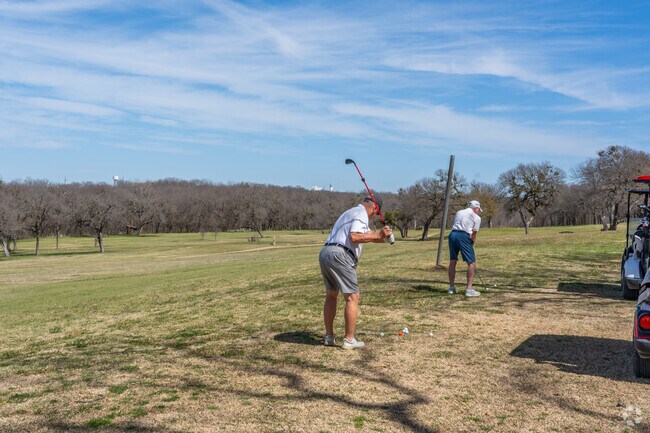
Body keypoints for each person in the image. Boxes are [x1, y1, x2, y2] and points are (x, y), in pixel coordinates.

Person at [320, 196, 393, 349]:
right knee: (352, 296)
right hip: (341, 255)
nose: (374, 217)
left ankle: (329, 336)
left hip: (326, 252)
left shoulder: (350, 213)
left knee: (332, 294)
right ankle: (349, 340)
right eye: (375, 213)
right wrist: (379, 235)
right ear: (374, 209)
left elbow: (367, 236)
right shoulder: (361, 214)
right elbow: (355, 237)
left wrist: (385, 237)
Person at [448, 200, 482, 297]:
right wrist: (472, 242)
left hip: (452, 235)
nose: (478, 211)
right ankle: (469, 289)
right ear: (476, 208)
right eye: (478, 209)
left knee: (452, 261)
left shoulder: (459, 212)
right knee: (471, 262)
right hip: (463, 236)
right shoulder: (477, 217)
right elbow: (474, 234)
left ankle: (451, 288)